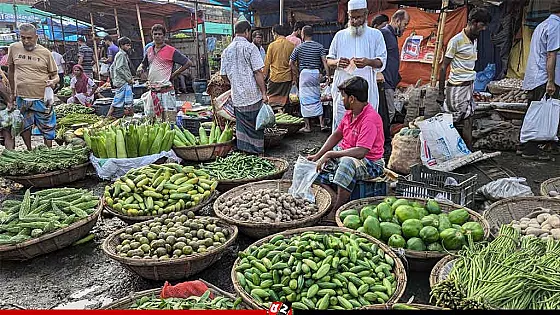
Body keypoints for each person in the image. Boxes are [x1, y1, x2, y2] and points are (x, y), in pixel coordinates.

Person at [309, 76, 385, 211]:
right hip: (346, 155)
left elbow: (361, 152)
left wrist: (331, 153)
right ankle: (332, 202)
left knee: (346, 163)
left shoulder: (370, 119)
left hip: (370, 163)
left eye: (343, 96)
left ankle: (337, 210)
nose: (341, 99)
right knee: (312, 168)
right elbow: (337, 135)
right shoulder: (350, 114)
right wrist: (318, 155)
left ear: (352, 99)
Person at [327, 0, 387, 131]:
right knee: (343, 126)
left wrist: (368, 62)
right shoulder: (340, 36)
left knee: (365, 124)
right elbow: (329, 60)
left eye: (358, 17)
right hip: (344, 91)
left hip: (366, 91)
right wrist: (337, 62)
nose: (354, 21)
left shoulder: (376, 35)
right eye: (352, 18)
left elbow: (381, 61)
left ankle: (362, 150)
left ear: (366, 14)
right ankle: (342, 151)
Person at [437, 7, 491, 150]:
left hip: (468, 86)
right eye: (482, 26)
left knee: (469, 117)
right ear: (473, 22)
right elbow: (443, 67)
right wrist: (441, 92)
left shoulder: (474, 40)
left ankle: (467, 150)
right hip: (456, 87)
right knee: (453, 119)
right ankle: (452, 148)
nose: (484, 29)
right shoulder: (456, 41)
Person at [7, 23, 59, 150]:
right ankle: (29, 149)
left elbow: (56, 75)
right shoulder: (13, 48)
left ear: (36, 37)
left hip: (41, 97)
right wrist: (12, 93)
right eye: (23, 37)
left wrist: (53, 82)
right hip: (22, 97)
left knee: (47, 126)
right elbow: (11, 71)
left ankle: (48, 151)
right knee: (25, 125)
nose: (26, 41)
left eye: (29, 38)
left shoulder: (45, 53)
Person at [220, 20, 268, 154]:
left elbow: (223, 76)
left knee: (242, 126)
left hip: (238, 97)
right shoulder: (250, 48)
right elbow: (258, 72)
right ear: (247, 32)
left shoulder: (226, 50)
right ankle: (258, 152)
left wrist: (235, 82)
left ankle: (245, 152)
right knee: (255, 126)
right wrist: (264, 93)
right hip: (253, 95)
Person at [520, 0, 560, 160]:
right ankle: (529, 149)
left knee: (534, 110)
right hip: (544, 77)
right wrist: (550, 81)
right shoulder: (556, 26)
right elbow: (551, 55)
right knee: (538, 113)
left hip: (535, 75)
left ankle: (526, 145)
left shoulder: (543, 25)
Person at [138, 24, 193, 119]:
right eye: (155, 34)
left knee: (169, 120)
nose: (157, 36)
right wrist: (140, 68)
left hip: (166, 91)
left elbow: (188, 63)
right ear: (152, 35)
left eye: (160, 34)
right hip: (153, 91)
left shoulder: (171, 50)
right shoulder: (149, 50)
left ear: (164, 36)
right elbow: (144, 64)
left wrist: (174, 74)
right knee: (152, 120)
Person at [289, 25, 330, 132]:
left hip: (304, 73)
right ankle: (322, 124)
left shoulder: (299, 47)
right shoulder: (319, 46)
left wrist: (297, 72)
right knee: (316, 97)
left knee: (304, 99)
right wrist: (328, 75)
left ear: (302, 34)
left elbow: (291, 62)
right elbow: (325, 61)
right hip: (316, 73)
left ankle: (307, 126)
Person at [380, 10, 410, 124]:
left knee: (388, 113)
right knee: (389, 112)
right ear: (397, 21)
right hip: (385, 82)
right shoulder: (384, 33)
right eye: (405, 24)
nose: (405, 27)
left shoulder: (392, 35)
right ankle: (380, 139)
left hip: (390, 82)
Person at [264, 24, 295, 113]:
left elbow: (267, 64)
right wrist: (294, 78)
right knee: (285, 101)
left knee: (271, 101)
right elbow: (294, 65)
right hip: (287, 78)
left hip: (275, 78)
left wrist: (264, 77)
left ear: (275, 33)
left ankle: (275, 117)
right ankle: (284, 114)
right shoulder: (291, 45)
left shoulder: (272, 46)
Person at [107, 37, 134, 119]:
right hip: (123, 82)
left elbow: (112, 68)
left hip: (121, 81)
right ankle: (108, 116)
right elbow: (119, 68)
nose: (129, 47)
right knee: (118, 101)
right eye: (127, 45)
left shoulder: (122, 54)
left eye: (129, 45)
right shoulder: (121, 55)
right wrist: (128, 79)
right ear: (122, 45)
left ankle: (129, 116)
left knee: (120, 100)